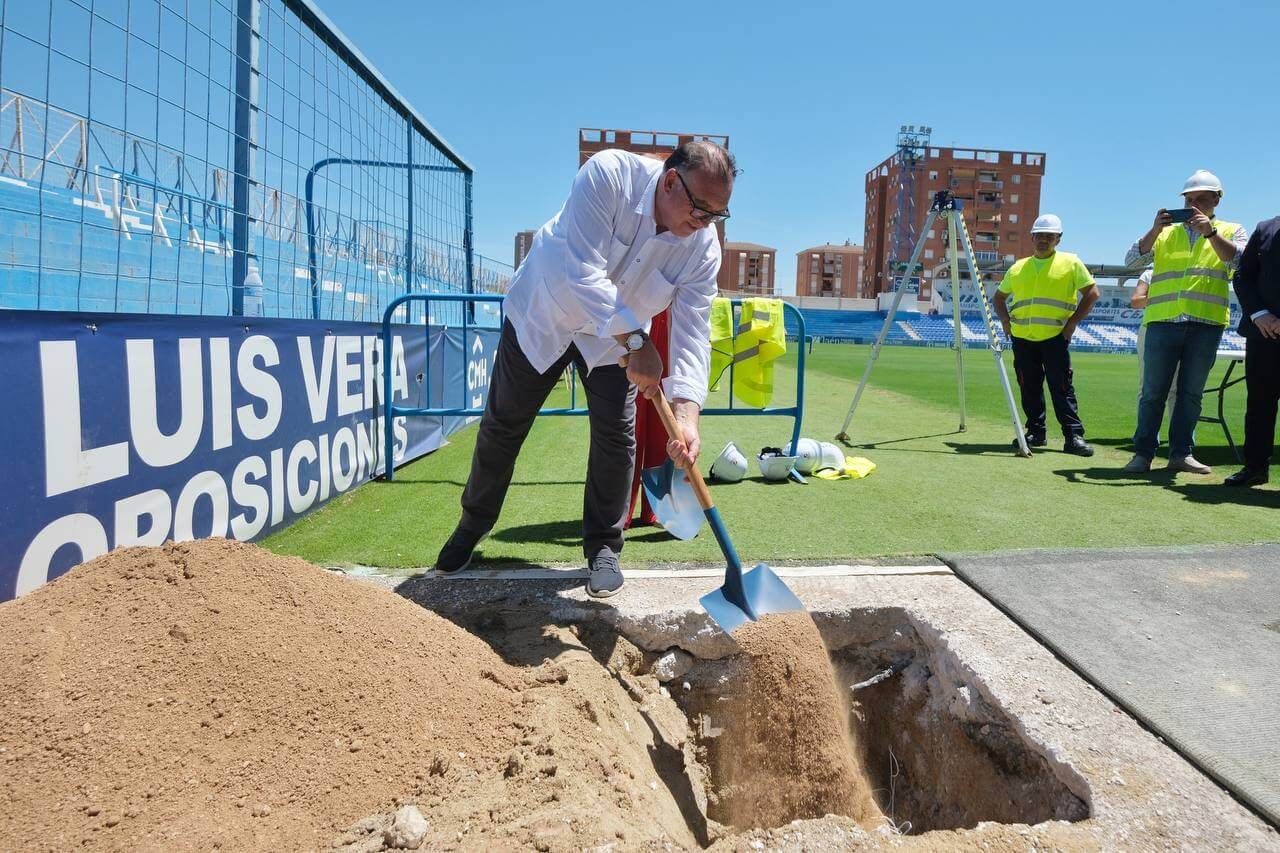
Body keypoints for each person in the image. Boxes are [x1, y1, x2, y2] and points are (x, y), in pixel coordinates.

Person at [434, 141, 736, 597]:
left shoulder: (703, 247)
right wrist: (638, 343)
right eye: (701, 208)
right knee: (503, 424)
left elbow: (694, 329)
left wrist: (688, 416)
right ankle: (471, 526)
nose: (705, 222)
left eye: (717, 214)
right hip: (545, 313)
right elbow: (583, 272)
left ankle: (604, 548)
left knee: (617, 437)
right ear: (671, 181)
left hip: (613, 339)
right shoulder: (609, 174)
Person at [1122, 170, 1248, 475]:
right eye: (1189, 200)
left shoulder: (1232, 230)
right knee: (1153, 392)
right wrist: (1154, 229)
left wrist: (1211, 234)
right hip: (1163, 321)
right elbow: (1131, 261)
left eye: (1201, 199)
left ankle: (1181, 454)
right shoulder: (1165, 233)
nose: (1193, 205)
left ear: (1217, 200)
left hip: (1206, 324)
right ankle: (1143, 454)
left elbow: (1241, 263)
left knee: (1190, 394)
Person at [993, 214, 1101, 456]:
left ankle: (1073, 436)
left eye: (1049, 236)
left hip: (1055, 337)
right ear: (1032, 237)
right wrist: (1005, 321)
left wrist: (1072, 323)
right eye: (1039, 235)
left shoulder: (1071, 263)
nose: (1043, 240)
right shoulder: (1018, 267)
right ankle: (1036, 432)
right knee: (1028, 387)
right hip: (1022, 339)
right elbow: (998, 297)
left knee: (1061, 387)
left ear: (1058, 239)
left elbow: (1092, 293)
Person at [1223, 215, 1280, 487]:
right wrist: (1259, 314)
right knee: (1259, 404)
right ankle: (1255, 467)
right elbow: (1243, 276)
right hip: (1263, 333)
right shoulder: (1266, 229)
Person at [1131, 267, 1178, 409]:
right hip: (1151, 328)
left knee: (1176, 387)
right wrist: (1164, 294)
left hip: (1182, 328)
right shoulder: (1149, 274)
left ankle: (1177, 425)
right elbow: (1135, 302)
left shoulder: (1190, 271)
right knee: (1147, 385)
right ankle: (1145, 425)